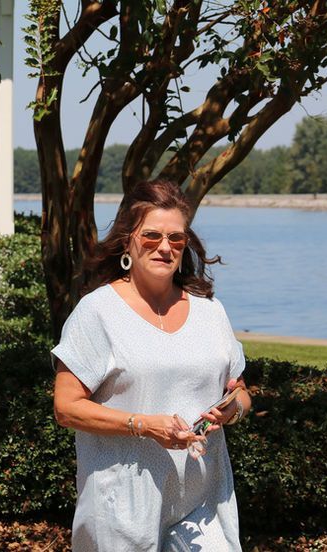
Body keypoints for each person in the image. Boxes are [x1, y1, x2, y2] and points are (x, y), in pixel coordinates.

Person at [52, 179, 252, 551]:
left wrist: (232, 410)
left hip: (204, 504)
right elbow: (66, 407)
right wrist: (143, 425)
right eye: (151, 236)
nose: (164, 247)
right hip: (122, 510)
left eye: (176, 238)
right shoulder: (98, 312)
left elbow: (240, 391)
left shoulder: (210, 312)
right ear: (127, 240)